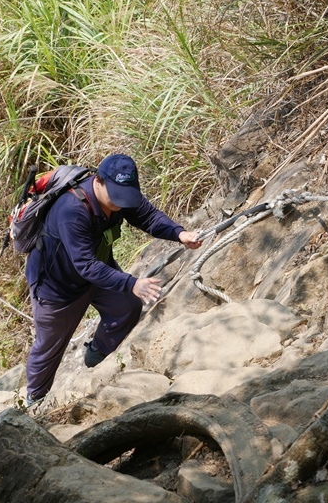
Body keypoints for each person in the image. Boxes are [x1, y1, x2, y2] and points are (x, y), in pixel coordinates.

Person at [24, 153, 202, 405]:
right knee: (49, 348)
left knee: (126, 306)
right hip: (57, 286)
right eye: (116, 196)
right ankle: (34, 400)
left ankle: (97, 357)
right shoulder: (71, 209)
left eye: (125, 196)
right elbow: (85, 264)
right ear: (98, 181)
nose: (120, 203)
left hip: (97, 269)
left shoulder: (121, 196)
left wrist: (179, 233)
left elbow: (148, 217)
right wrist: (132, 283)